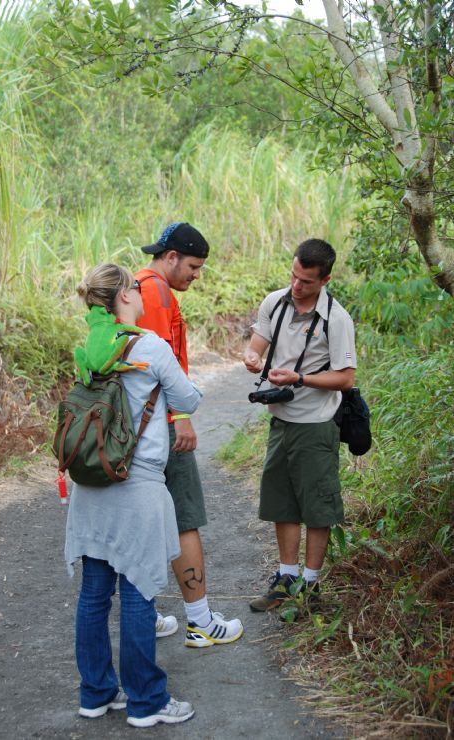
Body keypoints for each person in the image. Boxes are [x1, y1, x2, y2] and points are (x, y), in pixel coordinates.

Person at [65, 263, 201, 727]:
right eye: (136, 291)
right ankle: (146, 701)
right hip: (136, 483)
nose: (142, 297)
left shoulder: (89, 349)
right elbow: (189, 399)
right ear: (123, 296)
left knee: (95, 593)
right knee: (139, 593)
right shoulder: (150, 347)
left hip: (92, 483)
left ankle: (97, 692)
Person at [136, 222, 243, 648]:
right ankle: (200, 620)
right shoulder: (157, 293)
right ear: (171, 257)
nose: (197, 275)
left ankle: (142, 616)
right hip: (160, 426)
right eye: (194, 266)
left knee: (142, 520)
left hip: (135, 427)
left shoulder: (131, 287)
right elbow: (159, 366)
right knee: (185, 519)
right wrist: (181, 415)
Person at [243, 239, 357, 611]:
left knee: (317, 504)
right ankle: (286, 579)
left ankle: (310, 585)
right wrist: (252, 354)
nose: (296, 285)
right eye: (293, 275)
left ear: (325, 279)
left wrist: (300, 378)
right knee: (282, 501)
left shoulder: (336, 319)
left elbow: (345, 378)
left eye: (306, 281)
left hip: (316, 422)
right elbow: (260, 338)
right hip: (281, 421)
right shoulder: (275, 301)